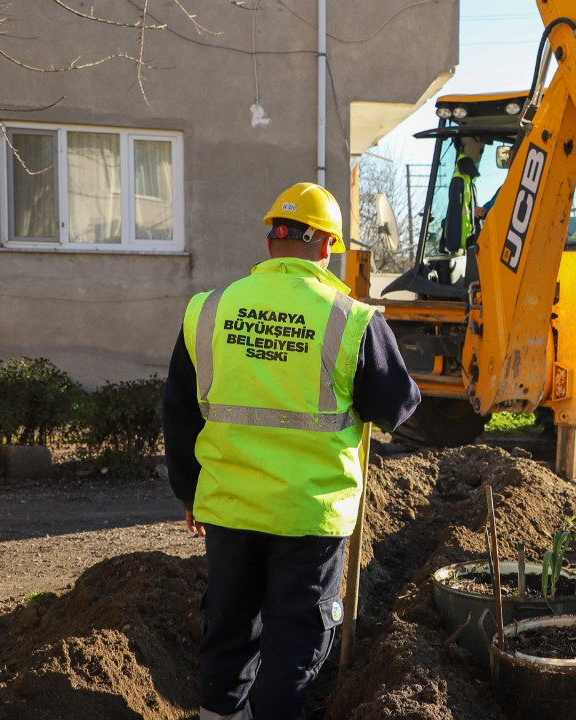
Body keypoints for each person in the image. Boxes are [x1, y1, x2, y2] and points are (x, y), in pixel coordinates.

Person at [162, 181, 421, 720]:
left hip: (230, 506)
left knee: (230, 628)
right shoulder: (351, 320)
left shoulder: (208, 310)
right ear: (327, 247)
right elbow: (396, 406)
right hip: (310, 514)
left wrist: (191, 494)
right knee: (293, 642)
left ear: (270, 241)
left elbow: (179, 413)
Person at [440, 136, 484, 255]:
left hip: (465, 242)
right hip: (465, 243)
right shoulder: (463, 181)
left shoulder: (466, 180)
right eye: (480, 149)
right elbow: (456, 213)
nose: (479, 154)